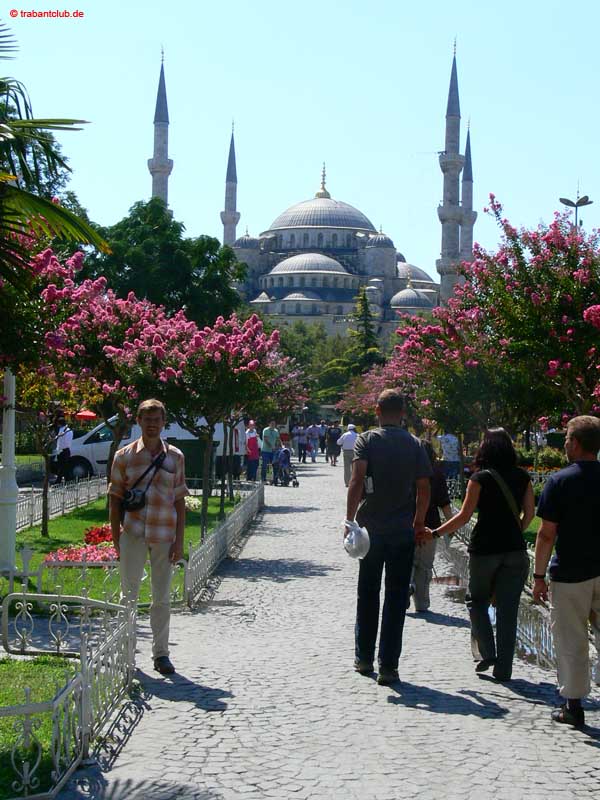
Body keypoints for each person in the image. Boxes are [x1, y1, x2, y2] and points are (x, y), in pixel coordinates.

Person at [424, 428, 534, 682]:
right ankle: (504, 669)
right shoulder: (522, 477)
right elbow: (529, 513)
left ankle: (487, 652)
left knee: (476, 600)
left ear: (486, 448)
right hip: (515, 550)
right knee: (508, 610)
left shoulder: (480, 478)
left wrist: (436, 533)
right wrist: (516, 530)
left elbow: (464, 516)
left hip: (484, 549)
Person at [346, 389, 432, 685]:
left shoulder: (367, 440)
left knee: (368, 593)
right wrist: (418, 522)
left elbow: (357, 479)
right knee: (396, 599)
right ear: (403, 413)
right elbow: (424, 488)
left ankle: (364, 658)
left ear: (378, 411)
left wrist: (349, 520)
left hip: (371, 530)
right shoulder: (415, 444)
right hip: (402, 532)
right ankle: (389, 666)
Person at [109, 399, 188, 675]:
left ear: (164, 423)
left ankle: (161, 654)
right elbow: (114, 498)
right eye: (147, 419)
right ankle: (126, 651)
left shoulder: (175, 456)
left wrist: (179, 541)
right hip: (133, 531)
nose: (152, 424)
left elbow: (179, 500)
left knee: (162, 597)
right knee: (128, 594)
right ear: (138, 421)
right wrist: (115, 536)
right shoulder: (124, 456)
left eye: (157, 420)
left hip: (164, 533)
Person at [533, 415, 600, 728]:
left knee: (571, 640)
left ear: (576, 443)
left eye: (567, 439)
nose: (564, 444)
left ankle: (573, 706)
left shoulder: (560, 481)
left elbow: (546, 534)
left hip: (571, 572)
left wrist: (538, 576)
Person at [410, 441, 453, 612]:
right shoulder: (436, 473)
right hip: (430, 524)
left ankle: (406, 586)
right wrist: (451, 525)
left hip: (405, 522)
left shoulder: (405, 469)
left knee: (407, 560)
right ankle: (422, 603)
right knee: (425, 565)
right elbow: (444, 502)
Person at [53, 416, 73, 482]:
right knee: (65, 466)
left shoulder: (62, 430)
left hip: (62, 450)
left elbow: (61, 442)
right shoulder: (69, 430)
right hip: (67, 450)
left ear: (59, 424)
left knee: (61, 466)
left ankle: (59, 480)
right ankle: (67, 480)